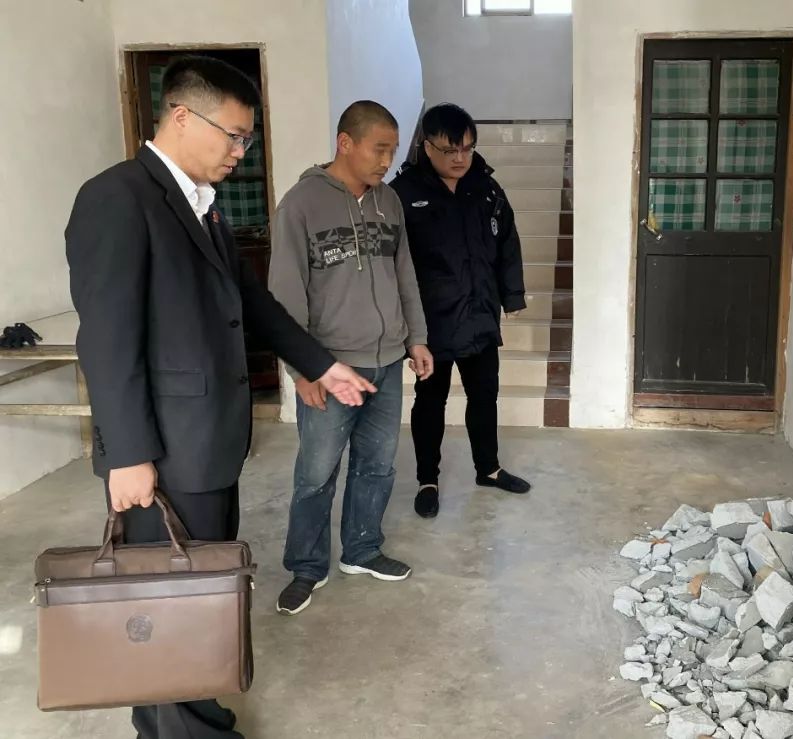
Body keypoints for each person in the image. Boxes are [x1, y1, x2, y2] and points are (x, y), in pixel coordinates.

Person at [64, 56, 372, 739]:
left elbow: (253, 305)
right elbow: (106, 341)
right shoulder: (117, 198)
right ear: (181, 116)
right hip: (162, 450)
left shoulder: (204, 207)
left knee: (198, 592)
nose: (240, 151)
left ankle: (186, 714)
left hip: (208, 443)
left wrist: (321, 366)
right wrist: (128, 455)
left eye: (247, 139)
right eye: (233, 135)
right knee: (168, 602)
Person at [269, 101, 434, 616]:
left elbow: (404, 275)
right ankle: (306, 566)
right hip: (330, 367)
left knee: (378, 466)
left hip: (386, 361)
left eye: (393, 149)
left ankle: (361, 550)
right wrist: (302, 370)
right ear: (345, 142)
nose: (387, 160)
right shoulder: (300, 205)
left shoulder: (389, 201)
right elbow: (285, 295)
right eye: (379, 149)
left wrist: (416, 338)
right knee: (316, 473)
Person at [390, 103, 532, 520]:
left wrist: (512, 296)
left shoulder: (486, 188)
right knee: (430, 402)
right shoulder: (403, 194)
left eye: (467, 148)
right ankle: (427, 480)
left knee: (484, 395)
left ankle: (488, 468)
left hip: (480, 314)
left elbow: (507, 241)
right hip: (431, 323)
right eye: (450, 149)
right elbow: (392, 263)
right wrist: (404, 326)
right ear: (426, 146)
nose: (460, 158)